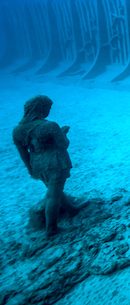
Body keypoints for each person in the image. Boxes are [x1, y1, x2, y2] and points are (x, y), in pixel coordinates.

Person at [12, 95, 85, 237]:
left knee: (55, 190)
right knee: (53, 195)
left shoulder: (17, 130)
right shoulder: (50, 126)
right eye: (48, 108)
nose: (48, 111)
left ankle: (71, 209)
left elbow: (23, 152)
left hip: (37, 163)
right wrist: (63, 133)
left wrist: (30, 169)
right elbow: (63, 145)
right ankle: (51, 229)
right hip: (55, 162)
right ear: (41, 108)